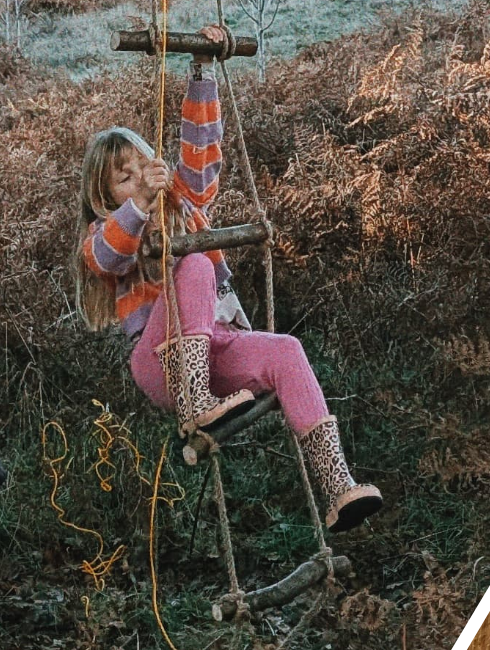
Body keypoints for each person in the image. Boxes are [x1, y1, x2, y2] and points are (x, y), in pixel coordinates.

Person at [75, 28, 382, 533]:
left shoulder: (178, 204)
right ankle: (196, 406)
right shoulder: (104, 231)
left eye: (140, 167)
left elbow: (199, 162)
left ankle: (339, 487)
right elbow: (107, 256)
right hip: (159, 361)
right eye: (122, 178)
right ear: (103, 194)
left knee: (286, 349)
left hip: (213, 350)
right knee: (193, 263)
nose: (138, 179)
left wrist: (201, 71)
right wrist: (141, 205)